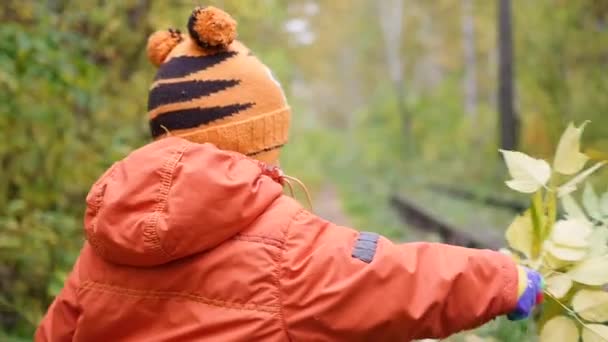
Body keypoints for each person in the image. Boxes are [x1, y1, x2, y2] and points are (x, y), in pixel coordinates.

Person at [36, 6, 543, 342]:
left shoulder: (104, 241)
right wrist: (504, 278)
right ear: (257, 144)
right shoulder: (283, 247)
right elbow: (394, 277)